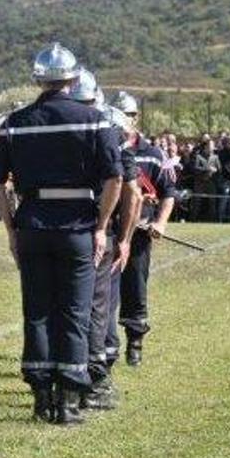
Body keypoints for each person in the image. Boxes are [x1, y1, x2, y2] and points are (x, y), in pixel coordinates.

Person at [0, 43, 122, 425]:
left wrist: (11, 224)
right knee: (75, 311)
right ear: (73, 79)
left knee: (38, 311)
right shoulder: (94, 120)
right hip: (78, 225)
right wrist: (100, 225)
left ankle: (41, 396)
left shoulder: (15, 122)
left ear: (38, 80)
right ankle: (66, 399)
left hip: (32, 223)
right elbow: (114, 178)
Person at [71, 71, 142, 411]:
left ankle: (68, 380)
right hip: (101, 230)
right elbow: (132, 193)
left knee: (69, 307)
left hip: (65, 228)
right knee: (100, 307)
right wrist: (124, 238)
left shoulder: (58, 128)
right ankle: (95, 381)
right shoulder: (109, 128)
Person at [114, 91, 176, 367]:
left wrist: (160, 222)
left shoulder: (153, 153)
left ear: (135, 117)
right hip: (106, 230)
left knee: (135, 287)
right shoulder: (102, 148)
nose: (121, 121)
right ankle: (100, 350)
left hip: (139, 233)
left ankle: (135, 342)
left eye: (126, 115)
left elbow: (168, 192)